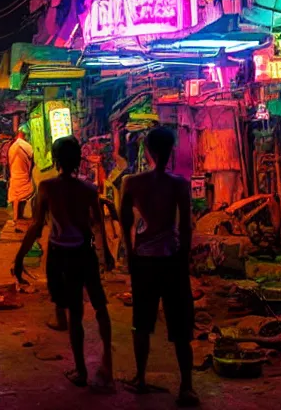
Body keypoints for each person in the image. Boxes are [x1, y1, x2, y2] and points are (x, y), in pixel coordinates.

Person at [14, 136, 115, 391]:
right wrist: (107, 255)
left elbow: (36, 226)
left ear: (56, 160)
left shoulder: (47, 187)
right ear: (78, 160)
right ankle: (108, 364)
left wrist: (19, 256)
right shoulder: (89, 190)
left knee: (75, 314)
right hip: (85, 252)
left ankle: (81, 370)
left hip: (61, 253)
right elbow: (98, 226)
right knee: (100, 306)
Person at [117, 127, 197, 406]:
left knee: (142, 322)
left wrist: (129, 256)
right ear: (171, 149)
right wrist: (184, 260)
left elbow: (124, 222)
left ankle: (140, 378)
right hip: (172, 258)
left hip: (144, 259)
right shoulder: (178, 184)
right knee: (180, 326)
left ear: (147, 151)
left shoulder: (131, 183)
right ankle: (186, 386)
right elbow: (185, 226)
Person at [9, 124, 36, 222]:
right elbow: (32, 163)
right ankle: (19, 218)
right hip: (23, 177)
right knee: (25, 195)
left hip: (15, 176)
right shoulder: (27, 147)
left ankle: (16, 218)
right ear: (25, 134)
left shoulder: (12, 147)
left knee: (16, 198)